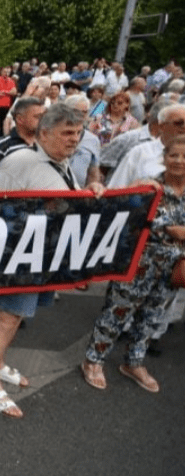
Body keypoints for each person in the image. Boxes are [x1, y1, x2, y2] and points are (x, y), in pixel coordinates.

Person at [0, 103, 104, 418]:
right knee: (5, 317)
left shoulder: (59, 163)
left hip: (40, 257)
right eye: (66, 133)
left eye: (77, 132)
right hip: (17, 257)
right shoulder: (23, 161)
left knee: (16, 317)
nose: (74, 139)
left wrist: (88, 190)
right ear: (44, 133)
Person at [81, 135, 185, 394]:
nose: (179, 161)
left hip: (173, 266)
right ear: (164, 158)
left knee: (153, 316)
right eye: (174, 155)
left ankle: (134, 362)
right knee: (118, 311)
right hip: (138, 261)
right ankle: (93, 360)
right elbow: (127, 218)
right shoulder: (148, 187)